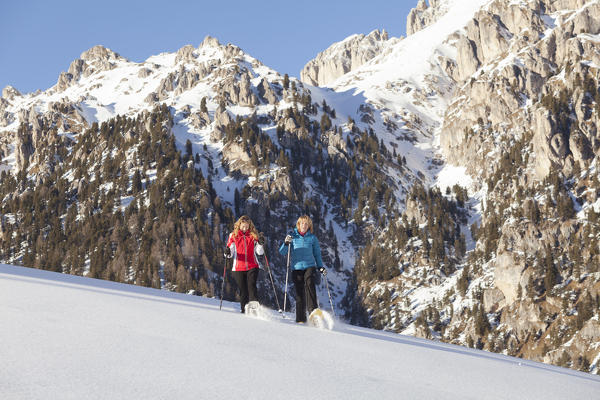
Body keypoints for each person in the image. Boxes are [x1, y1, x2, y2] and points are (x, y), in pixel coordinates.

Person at [279, 215, 326, 323]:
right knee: (299, 292)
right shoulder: (292, 236)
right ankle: (300, 319)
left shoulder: (312, 238)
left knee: (309, 283)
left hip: (310, 266)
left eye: (306, 223)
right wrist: (286, 243)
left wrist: (320, 267)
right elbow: (282, 252)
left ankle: (313, 311)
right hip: (296, 268)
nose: (304, 225)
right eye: (302, 223)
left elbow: (317, 254)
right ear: (298, 225)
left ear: (309, 225)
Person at [225, 215, 265, 313]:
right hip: (238, 267)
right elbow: (230, 253)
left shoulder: (253, 235)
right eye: (243, 226)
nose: (245, 228)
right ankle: (244, 310)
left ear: (249, 226)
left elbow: (260, 252)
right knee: (243, 290)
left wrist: (260, 243)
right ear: (239, 225)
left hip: (252, 265)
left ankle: (255, 309)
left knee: (251, 286)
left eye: (247, 227)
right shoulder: (233, 236)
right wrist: (227, 252)